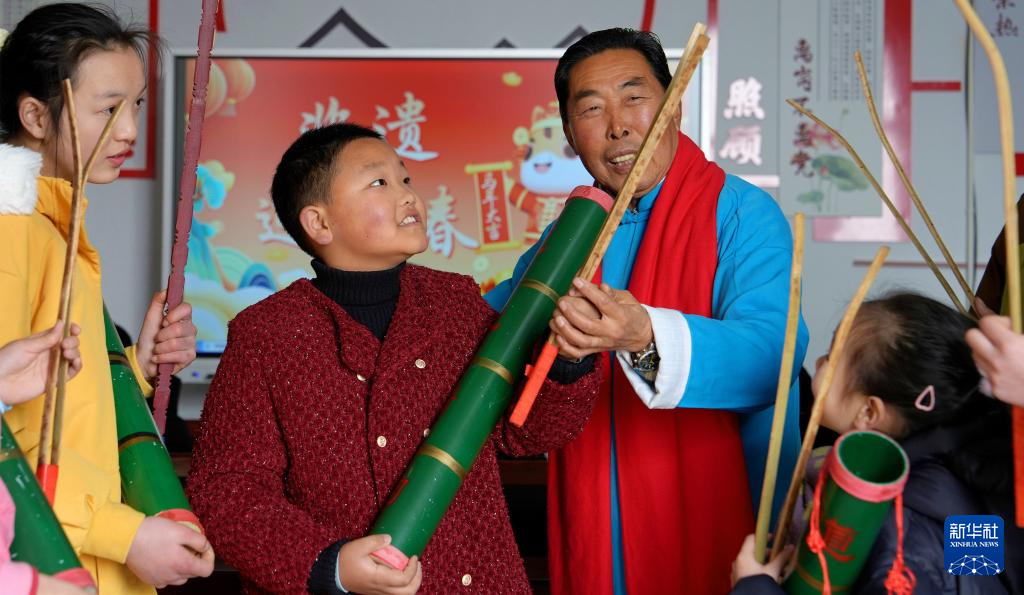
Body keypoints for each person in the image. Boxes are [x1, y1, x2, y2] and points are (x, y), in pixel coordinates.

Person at [187, 122, 601, 594]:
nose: (408, 196)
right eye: (379, 182)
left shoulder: (457, 303)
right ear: (319, 223)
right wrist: (330, 566)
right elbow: (226, 490)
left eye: (405, 178)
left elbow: (524, 434)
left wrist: (568, 361)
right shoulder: (266, 333)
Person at [486, 28, 808, 594]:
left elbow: (772, 357)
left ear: (673, 105)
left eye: (634, 98)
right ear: (569, 132)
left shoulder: (740, 213)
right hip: (593, 510)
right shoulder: (568, 238)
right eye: (591, 109)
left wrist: (644, 334)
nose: (618, 126)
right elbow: (487, 328)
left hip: (719, 514)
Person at [0, 4, 212, 592]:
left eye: (136, 104)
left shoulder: (53, 226)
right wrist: (126, 535)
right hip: (51, 564)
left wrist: (134, 367)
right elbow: (7, 436)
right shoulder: (13, 233)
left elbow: (50, 403)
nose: (129, 131)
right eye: (108, 108)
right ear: (35, 115)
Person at [731, 293, 1021, 594]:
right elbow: (979, 582)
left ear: (869, 412)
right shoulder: (967, 484)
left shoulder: (895, 536)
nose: (818, 362)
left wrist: (754, 586)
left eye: (831, 356)